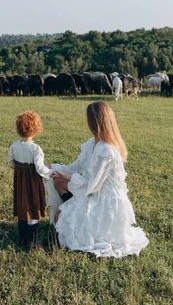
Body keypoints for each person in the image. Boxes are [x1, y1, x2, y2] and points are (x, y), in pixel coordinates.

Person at [50, 101, 149, 257]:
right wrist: (56, 169)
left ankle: (75, 215)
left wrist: (68, 177)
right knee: (57, 181)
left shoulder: (106, 151)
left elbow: (92, 186)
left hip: (104, 201)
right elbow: (77, 166)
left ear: (94, 122)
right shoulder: (92, 143)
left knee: (59, 218)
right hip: (90, 190)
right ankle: (72, 210)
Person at [8, 111, 52, 246]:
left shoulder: (14, 146)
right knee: (33, 204)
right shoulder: (35, 149)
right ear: (35, 129)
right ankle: (31, 237)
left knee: (22, 202)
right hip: (33, 180)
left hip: (20, 181)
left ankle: (22, 236)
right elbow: (39, 167)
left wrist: (20, 169)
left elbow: (11, 162)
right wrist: (50, 172)